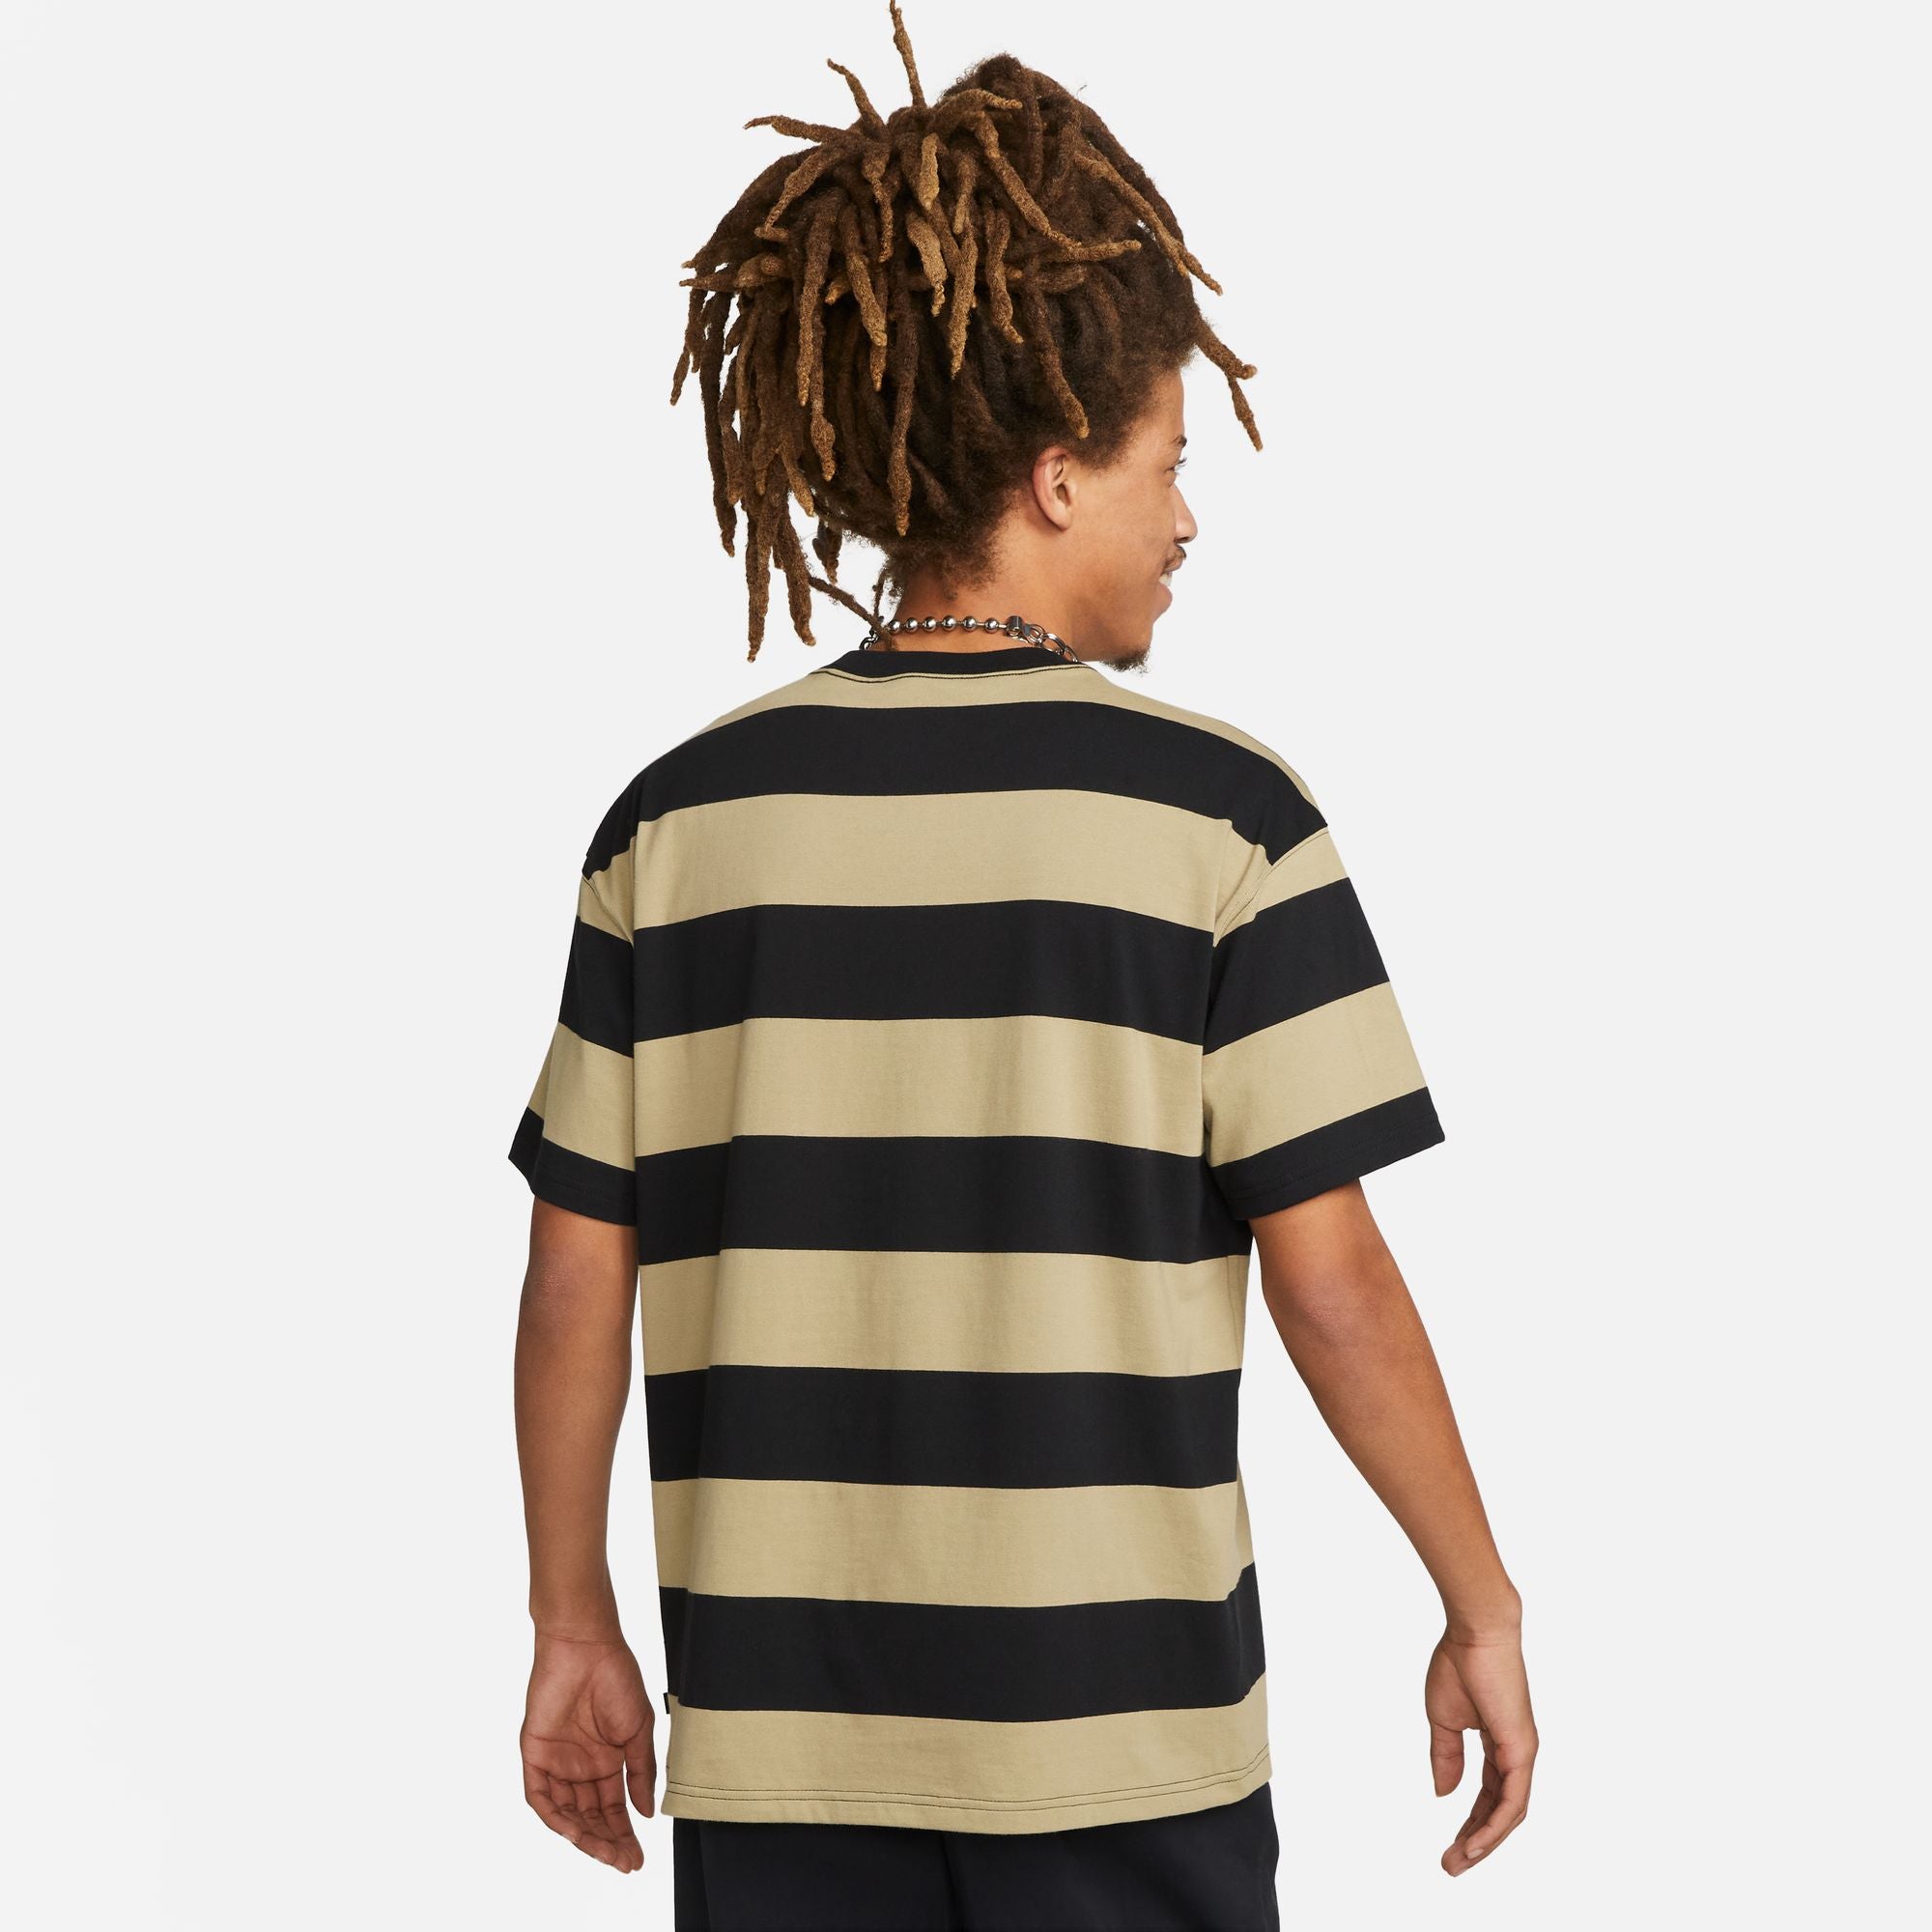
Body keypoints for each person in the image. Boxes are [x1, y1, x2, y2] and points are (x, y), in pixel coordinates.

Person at [509, 8, 1536, 1925]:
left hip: (783, 1749)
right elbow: (1330, 1276)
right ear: (1057, 474)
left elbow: (579, 1268)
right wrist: (1479, 1599)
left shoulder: (677, 826)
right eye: (1165, 459)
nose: (1186, 516)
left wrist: (574, 1625)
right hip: (1120, 1745)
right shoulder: (1222, 821)